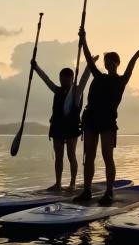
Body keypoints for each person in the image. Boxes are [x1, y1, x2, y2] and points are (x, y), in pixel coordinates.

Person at [73, 27, 139, 204]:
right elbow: (88, 60)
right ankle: (87, 190)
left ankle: (109, 191)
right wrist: (84, 39)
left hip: (108, 122)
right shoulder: (98, 76)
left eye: (112, 61)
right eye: (107, 61)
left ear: (117, 63)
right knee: (89, 155)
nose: (109, 63)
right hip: (91, 119)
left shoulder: (122, 80)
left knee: (107, 155)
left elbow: (134, 61)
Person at [31, 57, 97, 191]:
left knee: (71, 154)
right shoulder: (58, 90)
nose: (63, 82)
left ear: (72, 79)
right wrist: (36, 67)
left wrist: (90, 63)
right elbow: (47, 80)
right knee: (58, 156)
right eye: (61, 79)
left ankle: (72, 183)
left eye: (66, 79)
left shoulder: (77, 91)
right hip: (57, 127)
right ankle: (58, 183)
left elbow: (84, 78)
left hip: (72, 128)